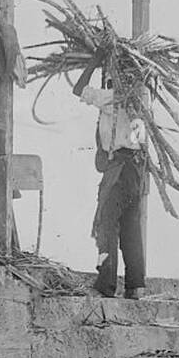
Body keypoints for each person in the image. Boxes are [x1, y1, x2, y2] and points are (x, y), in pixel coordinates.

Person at [72, 72, 147, 298]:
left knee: (106, 225)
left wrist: (96, 58)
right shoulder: (141, 101)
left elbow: (79, 88)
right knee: (130, 229)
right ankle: (135, 286)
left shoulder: (113, 97)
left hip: (119, 172)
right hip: (135, 174)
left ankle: (106, 285)